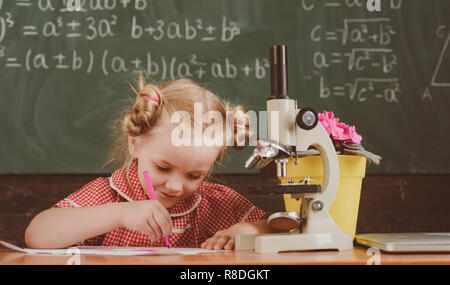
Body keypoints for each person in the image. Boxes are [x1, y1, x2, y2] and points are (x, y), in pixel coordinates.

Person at [25, 73, 271, 250]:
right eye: (163, 168)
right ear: (135, 144)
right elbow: (37, 235)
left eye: (194, 175)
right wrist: (119, 215)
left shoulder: (212, 202)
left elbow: (282, 225)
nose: (176, 186)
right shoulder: (110, 195)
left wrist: (251, 230)